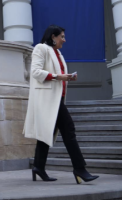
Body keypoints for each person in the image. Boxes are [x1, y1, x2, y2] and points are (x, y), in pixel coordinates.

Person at [23, 25, 99, 184]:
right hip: (47, 99)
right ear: (53, 36)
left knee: (47, 134)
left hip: (56, 98)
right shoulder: (41, 48)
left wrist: (68, 77)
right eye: (62, 37)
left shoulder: (57, 53)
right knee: (69, 129)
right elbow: (35, 72)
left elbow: (58, 76)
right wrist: (59, 76)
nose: (64, 40)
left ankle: (38, 167)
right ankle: (79, 169)